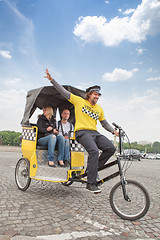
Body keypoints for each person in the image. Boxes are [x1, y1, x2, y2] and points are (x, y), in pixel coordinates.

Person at [44, 69, 118, 193]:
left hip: (95, 133)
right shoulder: (79, 101)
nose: (97, 97)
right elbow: (64, 92)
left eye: (98, 95)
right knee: (93, 151)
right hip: (82, 132)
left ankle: (92, 170)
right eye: (95, 94)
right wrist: (52, 80)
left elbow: (104, 123)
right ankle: (91, 183)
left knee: (111, 148)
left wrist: (113, 132)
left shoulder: (99, 109)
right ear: (89, 94)